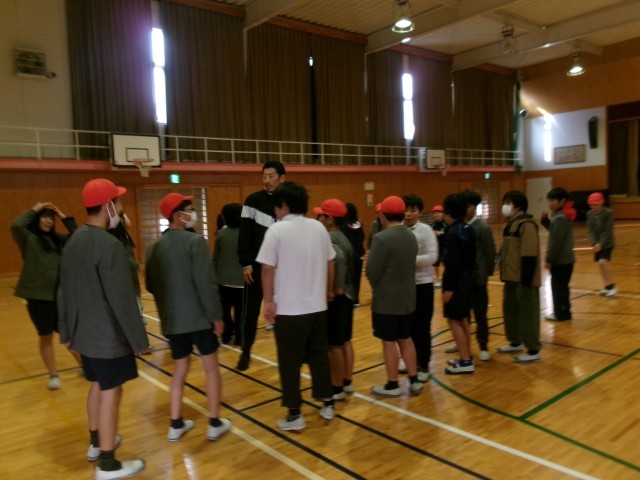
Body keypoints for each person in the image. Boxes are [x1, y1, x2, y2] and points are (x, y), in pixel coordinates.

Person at [58, 178, 148, 479]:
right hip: (107, 336)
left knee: (97, 384)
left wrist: (67, 332)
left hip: (84, 335)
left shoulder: (74, 240)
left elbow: (63, 291)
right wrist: (138, 340)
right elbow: (122, 299)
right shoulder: (109, 245)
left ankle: (96, 443)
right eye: (118, 203)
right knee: (111, 391)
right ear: (108, 206)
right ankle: (108, 464)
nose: (120, 209)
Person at [146, 193, 232, 443]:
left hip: (173, 320)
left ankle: (175, 424)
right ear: (177, 214)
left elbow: (151, 285)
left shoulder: (153, 248)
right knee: (211, 368)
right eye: (188, 209)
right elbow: (206, 283)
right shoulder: (196, 241)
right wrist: (216, 316)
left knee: (180, 369)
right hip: (199, 318)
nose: (192, 213)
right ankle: (214, 422)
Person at [256, 182, 336, 431]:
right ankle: (328, 402)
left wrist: (268, 301)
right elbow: (331, 262)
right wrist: (327, 291)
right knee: (319, 355)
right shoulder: (318, 227)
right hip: (317, 307)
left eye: (276, 205)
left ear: (283, 205)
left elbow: (267, 268)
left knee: (289, 362)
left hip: (290, 310)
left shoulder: (277, 230)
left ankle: (294, 414)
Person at [11, 202, 81, 389]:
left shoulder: (58, 240)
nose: (49, 221)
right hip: (38, 298)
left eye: (51, 218)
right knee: (46, 336)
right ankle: (53, 374)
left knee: (68, 334)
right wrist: (37, 207)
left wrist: (62, 215)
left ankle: (84, 366)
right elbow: (16, 225)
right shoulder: (28, 238)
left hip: (60, 296)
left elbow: (78, 236)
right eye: (44, 217)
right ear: (37, 219)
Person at [366, 196, 423, 397]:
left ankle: (392, 384)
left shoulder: (381, 238)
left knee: (388, 341)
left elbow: (371, 271)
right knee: (405, 338)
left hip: (386, 300)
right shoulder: (410, 236)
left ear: (383, 215)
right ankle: (414, 380)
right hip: (407, 298)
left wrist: (377, 286)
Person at [237, 161, 286, 370]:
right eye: (264, 176)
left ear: (282, 178)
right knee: (250, 312)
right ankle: (245, 351)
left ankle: (288, 354)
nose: (267, 180)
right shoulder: (252, 201)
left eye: (271, 176)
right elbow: (244, 234)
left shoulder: (289, 200)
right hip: (256, 267)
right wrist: (246, 263)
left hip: (283, 269)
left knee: (285, 313)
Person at [314, 198, 356, 400]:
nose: (318, 219)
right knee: (345, 340)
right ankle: (347, 381)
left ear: (329, 219)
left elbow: (337, 259)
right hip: (348, 295)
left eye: (321, 215)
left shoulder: (329, 238)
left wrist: (334, 287)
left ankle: (337, 388)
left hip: (338, 297)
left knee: (334, 344)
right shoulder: (343, 236)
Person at [497, 190, 542, 363]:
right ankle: (515, 342)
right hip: (510, 278)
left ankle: (533, 350)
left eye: (508, 203)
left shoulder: (527, 225)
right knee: (510, 311)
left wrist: (526, 280)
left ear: (518, 206)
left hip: (524, 279)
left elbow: (529, 254)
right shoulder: (510, 225)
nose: (505, 206)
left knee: (528, 314)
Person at [456, 190, 496, 361]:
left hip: (478, 279)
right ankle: (462, 343)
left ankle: (483, 345)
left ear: (475, 207)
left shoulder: (482, 228)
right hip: (463, 279)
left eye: (469, 206)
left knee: (480, 315)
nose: (466, 209)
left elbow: (489, 253)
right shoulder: (459, 226)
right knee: (462, 316)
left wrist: (485, 273)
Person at [402, 194, 438, 382]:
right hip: (404, 286)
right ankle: (411, 363)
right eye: (406, 210)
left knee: (422, 327)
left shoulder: (425, 231)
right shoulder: (398, 230)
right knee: (406, 328)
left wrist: (409, 260)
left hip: (423, 285)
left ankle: (424, 365)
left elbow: (432, 257)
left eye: (413, 210)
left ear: (420, 212)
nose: (408, 214)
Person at [441, 194, 476, 374]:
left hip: (457, 282)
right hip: (467, 280)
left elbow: (452, 264)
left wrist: (449, 288)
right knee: (464, 320)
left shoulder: (454, 233)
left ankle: (465, 361)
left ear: (448, 213)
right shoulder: (468, 228)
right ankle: (466, 355)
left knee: (455, 321)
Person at [541, 188, 575, 321]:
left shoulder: (560, 218)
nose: (550, 204)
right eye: (549, 201)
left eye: (553, 201)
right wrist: (546, 222)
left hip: (561, 261)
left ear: (562, 201)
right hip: (566, 260)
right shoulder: (561, 216)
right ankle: (565, 312)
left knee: (558, 287)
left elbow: (556, 242)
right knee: (562, 287)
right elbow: (556, 233)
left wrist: (549, 260)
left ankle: (559, 313)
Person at [213, 203, 244, 345]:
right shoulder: (248, 234)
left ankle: (226, 335)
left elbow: (215, 258)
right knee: (240, 312)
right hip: (243, 281)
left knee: (224, 311)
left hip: (223, 281)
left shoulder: (221, 234)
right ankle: (240, 338)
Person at [586, 192, 617, 297]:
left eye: (596, 204)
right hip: (597, 244)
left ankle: (613, 287)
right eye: (592, 205)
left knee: (603, 262)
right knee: (600, 265)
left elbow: (607, 231)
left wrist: (600, 243)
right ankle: (607, 287)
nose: (594, 207)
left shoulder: (608, 213)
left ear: (601, 203)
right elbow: (591, 231)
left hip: (607, 243)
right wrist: (595, 243)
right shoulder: (589, 214)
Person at [342, 202, 365, 306]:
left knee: (350, 279)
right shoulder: (359, 225)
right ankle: (356, 300)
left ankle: (351, 299)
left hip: (350, 257)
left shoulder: (344, 226)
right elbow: (362, 238)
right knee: (357, 278)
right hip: (359, 256)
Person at [431, 205, 447, 287]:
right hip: (435, 248)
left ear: (442, 214)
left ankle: (444, 278)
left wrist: (440, 234)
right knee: (435, 264)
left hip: (445, 248)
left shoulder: (446, 225)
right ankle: (437, 278)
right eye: (435, 213)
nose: (437, 215)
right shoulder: (431, 226)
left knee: (445, 264)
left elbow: (449, 235)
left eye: (439, 213)